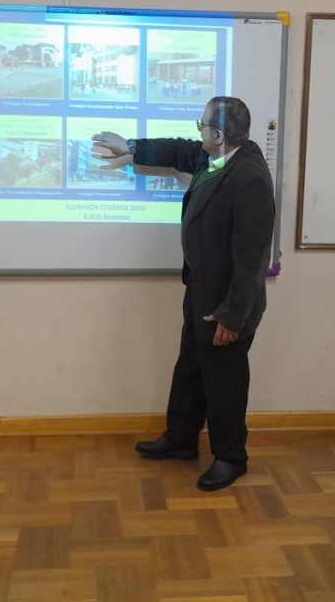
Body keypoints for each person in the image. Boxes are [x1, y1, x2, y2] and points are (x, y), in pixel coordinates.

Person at [92, 97, 274, 491]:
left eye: (202, 125)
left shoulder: (249, 178)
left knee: (225, 381)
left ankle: (231, 457)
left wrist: (232, 316)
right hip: (201, 289)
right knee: (190, 367)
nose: (198, 131)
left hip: (226, 303)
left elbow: (252, 259)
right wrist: (132, 146)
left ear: (218, 135)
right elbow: (179, 149)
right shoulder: (217, 157)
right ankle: (181, 438)